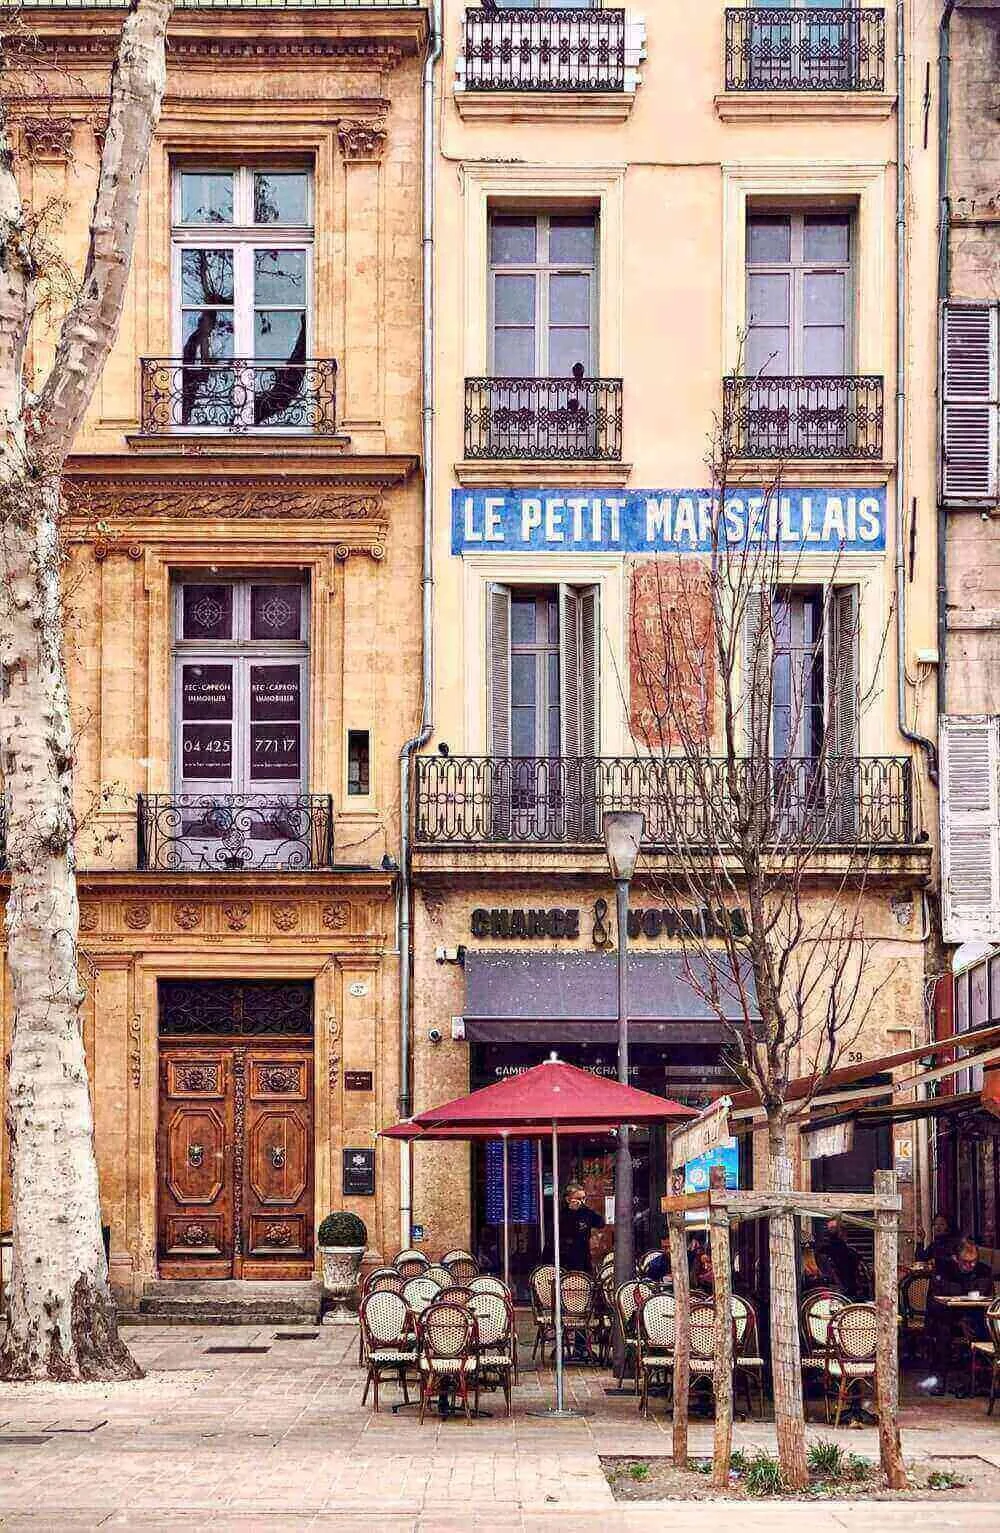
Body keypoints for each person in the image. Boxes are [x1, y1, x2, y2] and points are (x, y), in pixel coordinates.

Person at [923, 1238, 994, 1396]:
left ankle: (977, 1382)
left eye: (974, 1261)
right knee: (943, 1332)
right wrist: (959, 1320)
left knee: (986, 1329)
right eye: (966, 1262)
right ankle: (939, 1380)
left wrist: (968, 1319)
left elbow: (989, 1300)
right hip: (947, 1319)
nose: (971, 1266)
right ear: (956, 1258)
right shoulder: (943, 1271)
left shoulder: (983, 1271)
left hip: (974, 1318)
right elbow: (934, 1304)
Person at [548, 1181, 604, 1273]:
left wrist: (586, 1209)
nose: (581, 1201)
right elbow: (560, 1232)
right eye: (578, 1198)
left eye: (583, 1198)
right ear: (568, 1199)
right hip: (565, 1257)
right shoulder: (561, 1214)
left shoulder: (586, 1212)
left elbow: (600, 1223)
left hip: (583, 1255)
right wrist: (572, 1212)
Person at [817, 1215, 865, 1299]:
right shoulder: (830, 1249)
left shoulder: (847, 1251)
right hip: (839, 1291)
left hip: (845, 1291)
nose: (830, 1231)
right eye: (830, 1229)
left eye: (833, 1228)